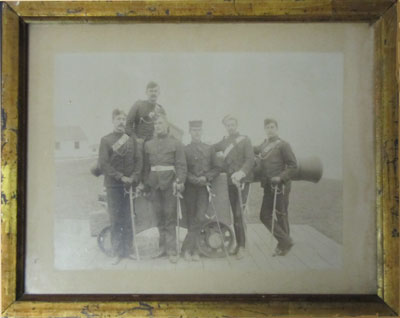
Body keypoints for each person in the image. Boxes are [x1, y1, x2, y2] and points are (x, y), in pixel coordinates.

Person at [98, 109, 142, 263]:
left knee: (129, 219)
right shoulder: (106, 140)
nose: (121, 121)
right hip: (113, 186)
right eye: (118, 118)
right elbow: (104, 164)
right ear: (113, 121)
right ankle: (117, 252)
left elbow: (138, 161)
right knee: (116, 220)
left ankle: (128, 250)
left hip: (129, 185)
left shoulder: (131, 140)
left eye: (124, 119)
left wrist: (134, 177)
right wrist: (120, 177)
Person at [143, 115, 187, 263]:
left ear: (167, 125)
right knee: (159, 216)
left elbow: (181, 165)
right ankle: (162, 248)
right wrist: (145, 183)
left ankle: (172, 250)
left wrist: (179, 181)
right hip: (154, 185)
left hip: (170, 185)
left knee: (170, 216)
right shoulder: (148, 145)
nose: (157, 125)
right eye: (155, 123)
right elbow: (145, 167)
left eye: (160, 123)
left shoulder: (176, 144)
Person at [254, 118, 297, 256]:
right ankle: (286, 240)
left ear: (277, 129)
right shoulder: (264, 144)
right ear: (265, 130)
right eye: (267, 127)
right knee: (264, 215)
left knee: (281, 215)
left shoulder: (283, 145)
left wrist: (281, 177)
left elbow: (293, 166)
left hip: (281, 186)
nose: (270, 129)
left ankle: (283, 246)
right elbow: (254, 150)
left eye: (272, 127)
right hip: (268, 185)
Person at [213, 115, 255, 259]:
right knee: (234, 214)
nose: (230, 127)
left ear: (236, 125)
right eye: (228, 125)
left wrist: (241, 172)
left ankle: (242, 247)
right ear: (225, 126)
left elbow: (250, 159)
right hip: (230, 183)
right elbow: (211, 149)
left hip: (242, 182)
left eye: (232, 124)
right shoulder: (224, 142)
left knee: (239, 214)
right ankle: (238, 244)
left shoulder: (245, 140)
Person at [182, 120, 222, 262]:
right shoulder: (185, 150)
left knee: (200, 218)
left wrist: (206, 177)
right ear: (190, 132)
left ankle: (187, 249)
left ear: (202, 131)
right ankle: (194, 251)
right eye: (194, 130)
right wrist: (194, 179)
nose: (196, 133)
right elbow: (183, 170)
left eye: (199, 130)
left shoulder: (209, 148)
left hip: (204, 189)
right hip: (190, 189)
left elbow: (217, 167)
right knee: (191, 218)